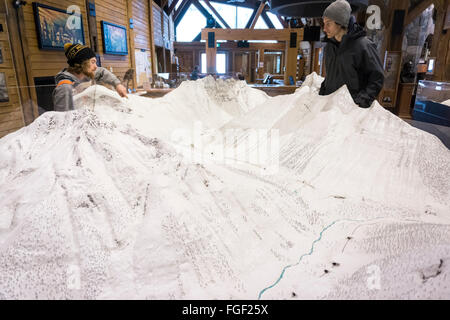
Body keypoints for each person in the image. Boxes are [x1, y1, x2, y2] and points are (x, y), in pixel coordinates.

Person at [319, 0, 384, 109]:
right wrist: (322, 93)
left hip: (351, 111)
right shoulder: (330, 46)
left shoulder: (363, 45)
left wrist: (360, 102)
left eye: (328, 24)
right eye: (324, 24)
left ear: (340, 23)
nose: (324, 29)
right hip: (330, 110)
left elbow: (377, 78)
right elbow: (332, 76)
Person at [53, 43, 128, 112]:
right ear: (82, 63)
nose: (96, 67)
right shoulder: (65, 88)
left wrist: (118, 85)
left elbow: (102, 71)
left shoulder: (84, 74)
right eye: (93, 62)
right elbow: (62, 120)